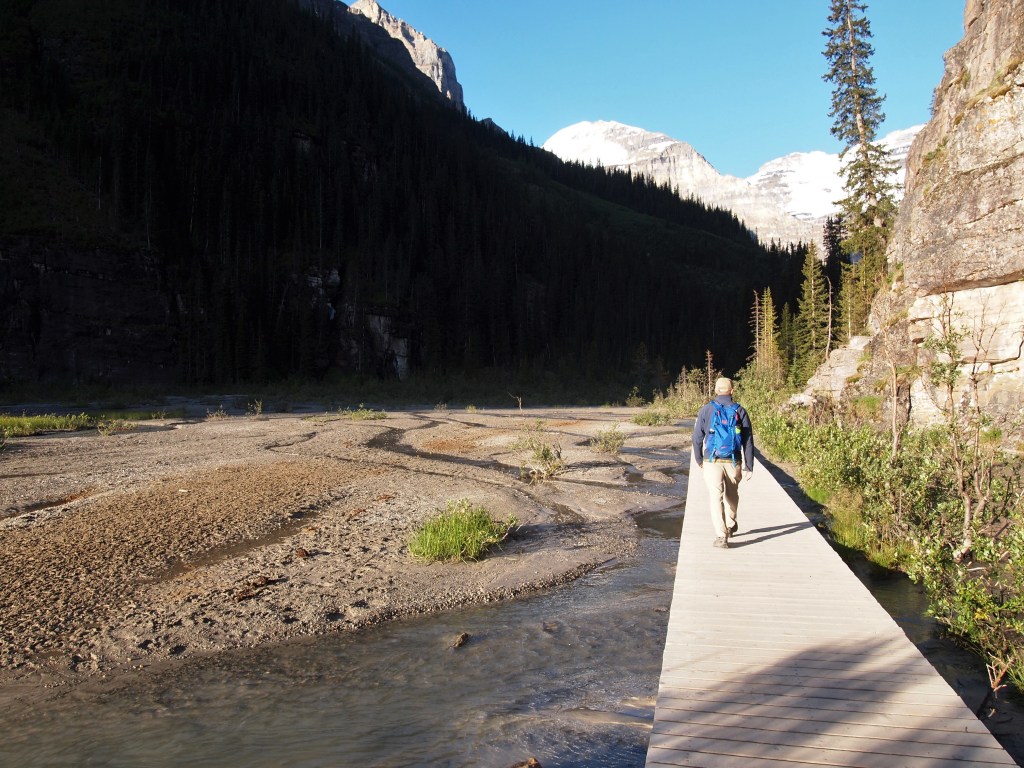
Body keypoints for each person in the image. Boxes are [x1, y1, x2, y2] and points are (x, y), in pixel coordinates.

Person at [692, 377, 754, 549]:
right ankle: (731, 524)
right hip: (734, 460)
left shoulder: (706, 410)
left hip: (712, 460)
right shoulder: (740, 410)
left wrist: (699, 459)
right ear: (732, 391)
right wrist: (749, 466)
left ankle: (721, 536)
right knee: (732, 495)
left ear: (716, 391)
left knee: (715, 497)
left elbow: (697, 437)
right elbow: (748, 440)